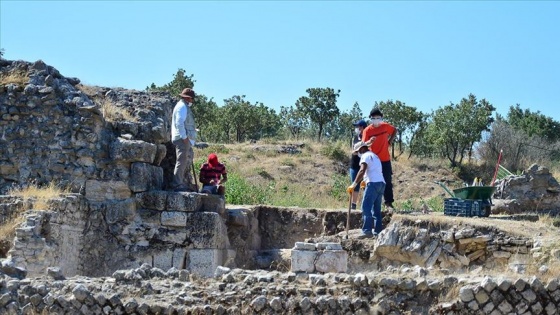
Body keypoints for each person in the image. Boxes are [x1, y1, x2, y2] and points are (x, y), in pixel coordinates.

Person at [347, 141, 385, 239]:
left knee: (366, 207)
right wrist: (365, 179)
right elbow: (373, 170)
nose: (358, 154)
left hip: (373, 184)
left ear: (362, 149)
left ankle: (367, 230)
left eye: (358, 151)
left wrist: (354, 184)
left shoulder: (365, 156)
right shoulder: (375, 156)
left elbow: (362, 170)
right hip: (381, 183)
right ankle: (378, 232)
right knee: (376, 209)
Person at [362, 108, 397, 209]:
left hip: (385, 159)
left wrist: (389, 141)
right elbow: (363, 145)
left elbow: (394, 130)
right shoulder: (367, 131)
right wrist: (370, 142)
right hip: (373, 161)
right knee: (372, 181)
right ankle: (372, 203)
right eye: (374, 118)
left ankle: (388, 203)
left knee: (387, 181)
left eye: (378, 118)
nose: (376, 120)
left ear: (381, 118)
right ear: (371, 118)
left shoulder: (385, 126)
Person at [171, 88, 197, 192]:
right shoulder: (182, 107)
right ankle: (176, 184)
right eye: (191, 98)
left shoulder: (182, 106)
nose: (192, 101)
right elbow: (179, 123)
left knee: (183, 160)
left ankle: (178, 183)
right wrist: (184, 137)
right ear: (187, 98)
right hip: (182, 139)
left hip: (182, 138)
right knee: (181, 161)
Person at [349, 119, 367, 209]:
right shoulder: (355, 138)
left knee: (365, 186)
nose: (356, 128)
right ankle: (353, 206)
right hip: (354, 164)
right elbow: (353, 151)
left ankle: (365, 206)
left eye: (358, 126)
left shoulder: (368, 138)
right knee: (354, 185)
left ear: (363, 127)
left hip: (365, 165)